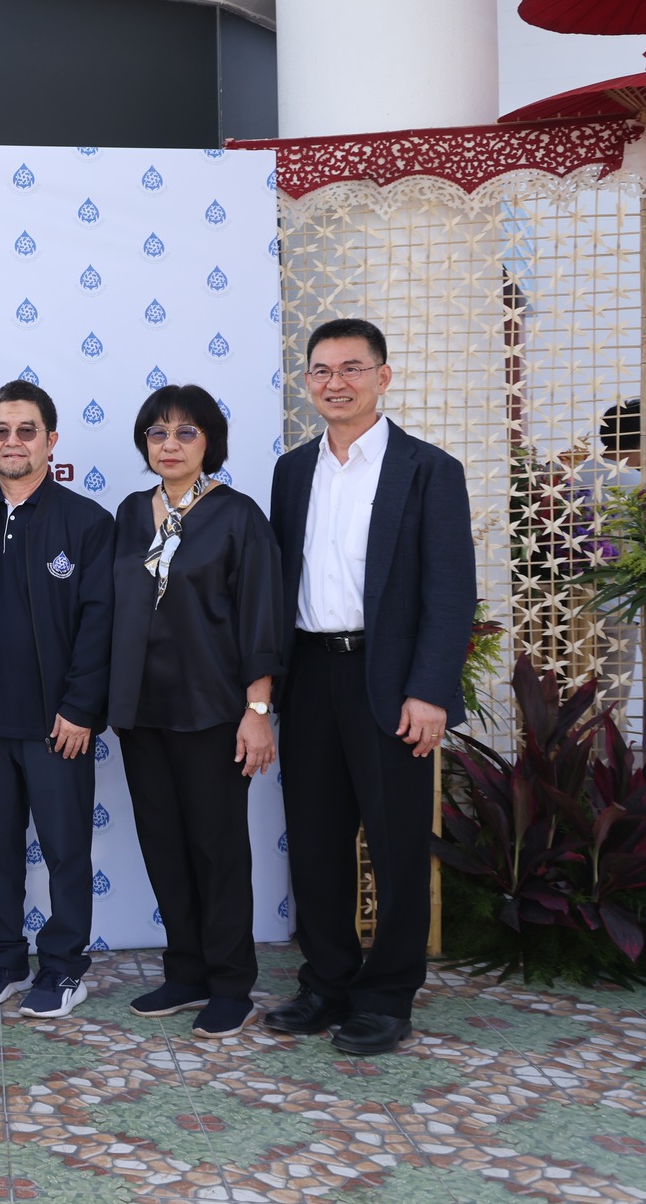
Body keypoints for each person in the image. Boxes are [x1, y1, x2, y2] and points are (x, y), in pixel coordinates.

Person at [265, 318, 474, 1056]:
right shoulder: (293, 470)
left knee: (394, 844)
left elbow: (450, 590)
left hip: (389, 681)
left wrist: (430, 690)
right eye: (322, 370)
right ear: (308, 382)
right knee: (315, 841)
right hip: (310, 673)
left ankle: (386, 996)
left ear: (383, 377)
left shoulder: (428, 470)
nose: (336, 382)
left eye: (352, 368)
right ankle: (326, 982)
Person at [106, 385, 282, 1038]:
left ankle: (231, 982)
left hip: (213, 711)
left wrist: (257, 708)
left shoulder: (238, 516)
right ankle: (186, 972)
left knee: (217, 848)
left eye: (186, 432)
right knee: (164, 846)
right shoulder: (131, 512)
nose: (170, 444)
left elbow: (260, 615)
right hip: (141, 710)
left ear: (210, 441)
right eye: (157, 433)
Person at [0, 381, 114, 1020]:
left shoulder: (87, 522)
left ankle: (64, 969)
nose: (12, 442)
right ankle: (4, 961)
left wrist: (81, 707)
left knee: (66, 849)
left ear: (51, 440)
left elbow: (101, 623)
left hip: (57, 723)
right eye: (0, 431)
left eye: (26, 430)